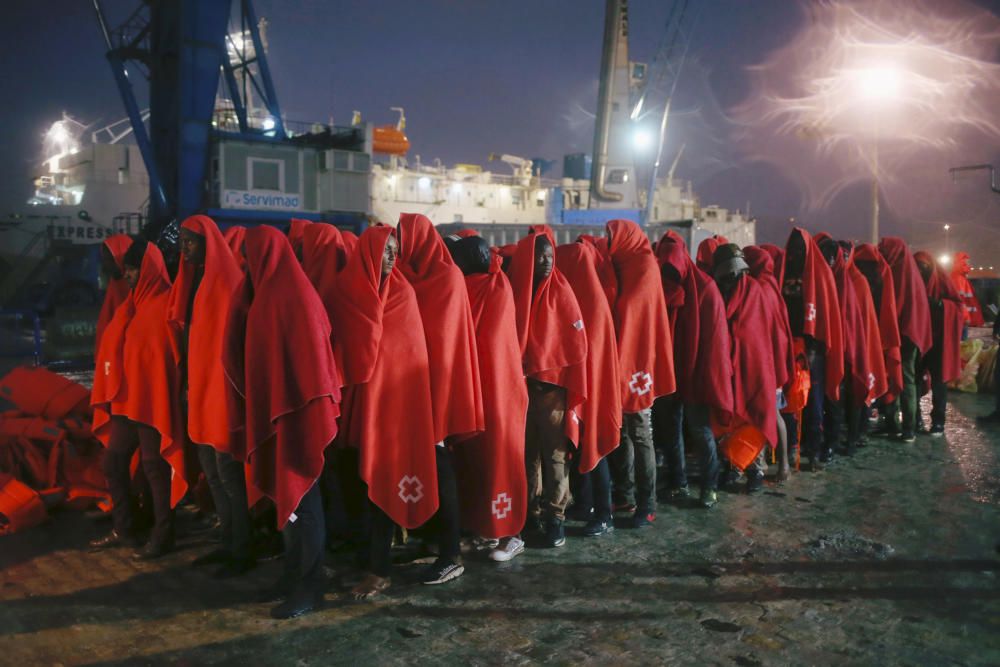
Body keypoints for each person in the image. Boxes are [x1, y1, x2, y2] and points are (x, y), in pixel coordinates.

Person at [222, 226, 342, 619]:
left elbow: (314, 364)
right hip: (282, 415)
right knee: (291, 507)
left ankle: (310, 588)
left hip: (298, 419)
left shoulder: (293, 297)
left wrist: (297, 409)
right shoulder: (267, 294)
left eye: (250, 256)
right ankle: (293, 576)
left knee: (303, 503)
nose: (246, 264)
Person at [327, 225, 439, 599]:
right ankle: (365, 563)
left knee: (382, 486)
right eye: (385, 251)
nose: (392, 257)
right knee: (356, 488)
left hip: (391, 410)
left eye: (395, 251)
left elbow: (406, 357)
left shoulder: (402, 295)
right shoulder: (347, 292)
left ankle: (379, 570)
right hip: (357, 408)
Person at [394, 213, 484, 584]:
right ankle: (431, 540)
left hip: (437, 388)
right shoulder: (412, 276)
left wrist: (438, 398)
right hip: (414, 386)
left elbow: (446, 344)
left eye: (402, 237)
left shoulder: (446, 278)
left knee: (439, 463)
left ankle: (451, 553)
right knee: (424, 466)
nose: (398, 245)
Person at [166, 215, 254, 577]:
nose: (184, 248)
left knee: (228, 473)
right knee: (212, 471)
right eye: (183, 241)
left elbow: (233, 348)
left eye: (191, 241)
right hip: (200, 391)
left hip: (222, 396)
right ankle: (228, 541)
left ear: (208, 243)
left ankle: (242, 549)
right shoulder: (198, 282)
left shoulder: (228, 283)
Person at [90, 239, 187, 558]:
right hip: (127, 400)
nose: (127, 274)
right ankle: (125, 527)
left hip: (151, 401)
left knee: (154, 467)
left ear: (149, 270)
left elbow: (165, 359)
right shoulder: (133, 303)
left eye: (133, 269)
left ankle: (164, 534)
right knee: (114, 461)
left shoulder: (163, 305)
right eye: (127, 268)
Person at [446, 234, 531, 560]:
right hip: (479, 390)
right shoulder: (483, 286)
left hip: (499, 392)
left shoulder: (494, 288)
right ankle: (485, 529)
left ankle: (511, 534)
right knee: (476, 463)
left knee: (501, 461)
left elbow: (492, 342)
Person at [508, 227, 587, 548]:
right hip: (522, 393)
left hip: (552, 391)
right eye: (539, 256)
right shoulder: (516, 292)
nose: (545, 261)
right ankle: (529, 514)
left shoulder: (561, 291)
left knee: (555, 458)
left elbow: (576, 344)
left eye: (550, 256)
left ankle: (555, 519)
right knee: (526, 458)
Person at [605, 219, 675, 528]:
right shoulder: (622, 263)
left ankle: (648, 503)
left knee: (641, 431)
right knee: (621, 433)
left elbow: (634, 310)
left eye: (612, 236)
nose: (608, 242)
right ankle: (625, 494)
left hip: (638, 363)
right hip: (622, 358)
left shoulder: (645, 265)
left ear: (626, 238)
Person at [656, 232, 734, 505]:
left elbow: (715, 341)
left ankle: (709, 486)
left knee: (700, 430)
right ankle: (679, 481)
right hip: (670, 371)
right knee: (671, 428)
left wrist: (706, 376)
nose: (669, 277)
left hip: (696, 372)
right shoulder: (663, 285)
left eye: (672, 271)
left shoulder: (706, 289)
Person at [556, 240, 622, 537]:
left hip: (594, 390)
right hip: (584, 386)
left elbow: (591, 351)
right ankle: (585, 504)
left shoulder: (591, 302)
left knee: (595, 449)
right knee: (582, 448)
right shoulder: (582, 296)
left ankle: (605, 513)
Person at [712, 244, 779, 484]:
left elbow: (758, 331)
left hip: (754, 363)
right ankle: (735, 466)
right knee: (732, 417)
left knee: (753, 414)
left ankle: (755, 469)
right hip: (734, 362)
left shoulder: (755, 291)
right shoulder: (724, 291)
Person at [816, 235, 887, 456]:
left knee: (852, 395)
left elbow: (861, 322)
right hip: (838, 349)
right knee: (838, 396)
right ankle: (840, 439)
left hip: (856, 349)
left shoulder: (857, 281)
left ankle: (853, 437)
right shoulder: (839, 279)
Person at [780, 228, 844, 470]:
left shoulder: (821, 276)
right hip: (789, 344)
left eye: (800, 248)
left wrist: (814, 346)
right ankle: (793, 447)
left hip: (812, 348)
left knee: (814, 400)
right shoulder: (784, 271)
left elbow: (826, 318)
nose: (796, 253)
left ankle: (814, 449)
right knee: (790, 398)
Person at [744, 245, 794, 480]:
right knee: (772, 412)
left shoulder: (759, 289)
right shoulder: (771, 285)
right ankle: (776, 463)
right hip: (774, 359)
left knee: (770, 412)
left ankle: (779, 465)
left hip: (766, 362)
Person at [878, 238, 933, 442]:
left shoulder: (899, 272)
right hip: (911, 333)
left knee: (903, 377)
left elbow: (895, 305)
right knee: (899, 376)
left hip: (904, 335)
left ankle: (905, 427)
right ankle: (897, 424)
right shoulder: (910, 273)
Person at [853, 243, 904, 439]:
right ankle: (888, 421)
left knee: (868, 374)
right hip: (880, 334)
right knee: (880, 374)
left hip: (868, 334)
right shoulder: (882, 274)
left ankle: (877, 421)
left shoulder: (859, 277)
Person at [913, 251, 965, 435]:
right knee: (914, 380)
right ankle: (915, 418)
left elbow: (958, 307)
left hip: (938, 340)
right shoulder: (912, 281)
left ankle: (938, 421)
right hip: (918, 338)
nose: (920, 270)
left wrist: (939, 305)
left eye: (923, 266)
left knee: (938, 381)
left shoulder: (942, 281)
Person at [95, 235, 133, 355]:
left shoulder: (134, 287)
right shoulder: (114, 285)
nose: (107, 265)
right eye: (105, 260)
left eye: (111, 260)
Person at [951, 252, 985, 328]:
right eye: (966, 261)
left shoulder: (957, 276)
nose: (968, 263)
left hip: (967, 319)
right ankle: (968, 319)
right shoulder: (960, 277)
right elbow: (961, 301)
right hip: (965, 319)